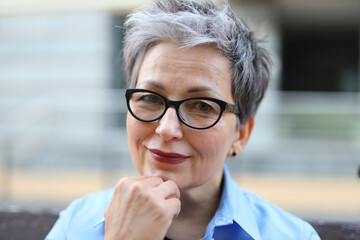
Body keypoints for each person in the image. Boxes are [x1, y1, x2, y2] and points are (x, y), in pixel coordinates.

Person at [46, 0, 320, 239]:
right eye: (150, 98)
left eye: (201, 105)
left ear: (241, 134)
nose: (166, 129)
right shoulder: (76, 224)